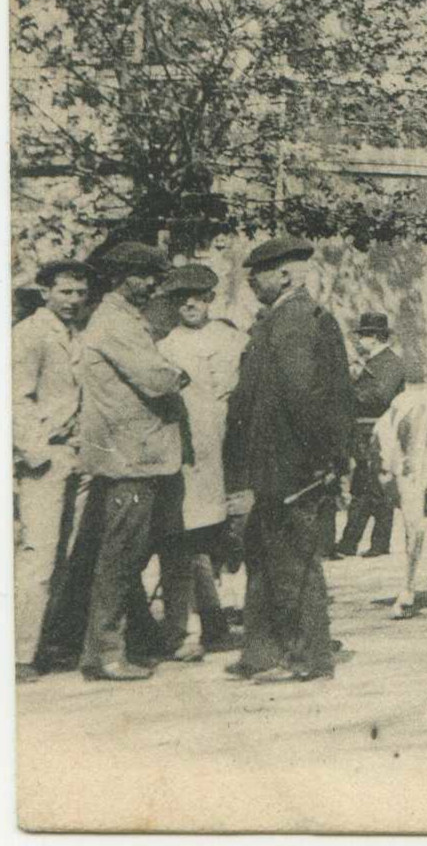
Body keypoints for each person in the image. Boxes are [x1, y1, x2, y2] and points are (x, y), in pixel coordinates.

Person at [225, 235, 351, 683]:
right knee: (264, 555)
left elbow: (304, 399)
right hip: (274, 462)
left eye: (255, 275)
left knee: (293, 562)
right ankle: (261, 652)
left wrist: (319, 462)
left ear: (282, 275)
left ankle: (306, 657)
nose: (251, 284)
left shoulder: (295, 320)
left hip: (292, 465)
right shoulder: (279, 319)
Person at [74, 242, 189, 682]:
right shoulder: (114, 323)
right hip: (131, 458)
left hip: (140, 456)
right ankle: (104, 653)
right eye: (146, 276)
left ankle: (123, 644)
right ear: (124, 277)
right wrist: (179, 373)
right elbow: (158, 379)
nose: (153, 284)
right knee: (120, 558)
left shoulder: (122, 319)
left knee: (126, 556)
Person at [155, 264, 245, 660]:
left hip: (230, 453)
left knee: (232, 538)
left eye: (196, 296)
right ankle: (190, 627)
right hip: (189, 457)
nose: (188, 304)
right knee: (188, 539)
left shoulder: (234, 341)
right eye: (180, 298)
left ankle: (230, 620)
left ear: (210, 299)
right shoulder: (165, 347)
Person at [14, 259, 91, 681]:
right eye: (65, 292)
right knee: (38, 557)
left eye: (80, 293)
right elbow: (14, 398)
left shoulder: (77, 335)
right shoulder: (27, 336)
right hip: (44, 457)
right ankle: (20, 653)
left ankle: (49, 642)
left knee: (66, 556)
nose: (74, 300)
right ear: (45, 292)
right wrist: (35, 451)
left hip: (75, 456)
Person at [334, 312, 410, 559]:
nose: (360, 341)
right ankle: (350, 542)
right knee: (363, 487)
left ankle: (378, 543)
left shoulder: (391, 363)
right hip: (365, 433)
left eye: (364, 335)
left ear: (376, 337)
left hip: (379, 432)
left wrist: (347, 392)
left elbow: (380, 396)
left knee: (377, 488)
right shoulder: (375, 362)